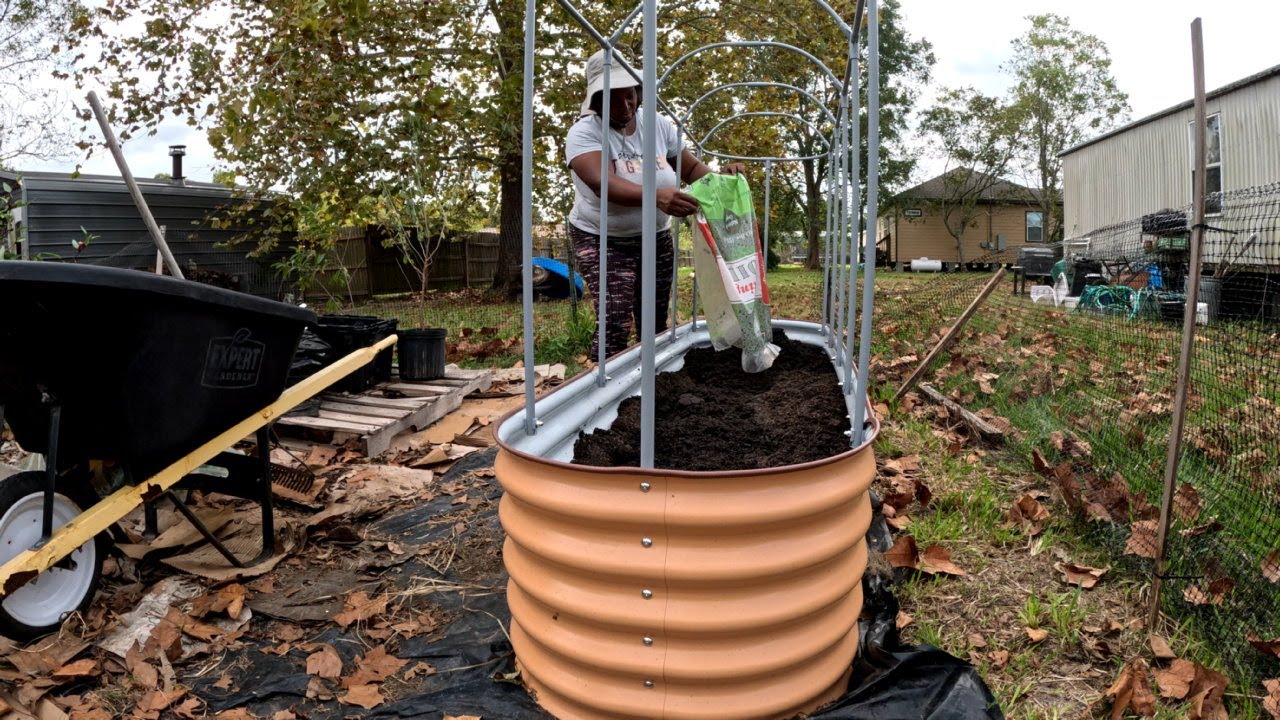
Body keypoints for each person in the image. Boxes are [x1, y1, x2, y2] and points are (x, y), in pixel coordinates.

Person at [565, 49, 744, 358]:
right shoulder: (584, 133)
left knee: (655, 316)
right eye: (612, 97)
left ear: (639, 91)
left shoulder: (658, 125)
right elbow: (601, 182)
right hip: (601, 238)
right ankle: (606, 392)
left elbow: (689, 170)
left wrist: (724, 178)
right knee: (615, 316)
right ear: (595, 99)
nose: (625, 105)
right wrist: (656, 197)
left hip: (655, 237)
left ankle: (653, 382)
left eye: (630, 94)